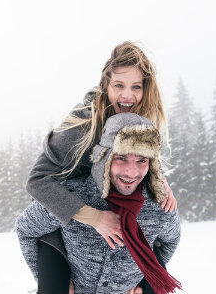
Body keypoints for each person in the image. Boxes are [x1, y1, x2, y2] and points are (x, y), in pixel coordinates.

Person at [26, 41, 177, 293]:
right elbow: (36, 181)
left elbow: (137, 160)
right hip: (64, 222)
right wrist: (94, 217)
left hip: (114, 218)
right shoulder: (83, 125)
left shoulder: (138, 121)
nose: (127, 96)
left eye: (136, 87)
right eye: (119, 86)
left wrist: (158, 180)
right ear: (105, 85)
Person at [17, 113, 182, 294]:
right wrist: (47, 281)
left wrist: (144, 280)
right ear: (104, 157)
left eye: (142, 160)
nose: (132, 172)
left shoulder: (159, 205)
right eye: (122, 158)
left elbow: (169, 241)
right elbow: (26, 230)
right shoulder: (70, 196)